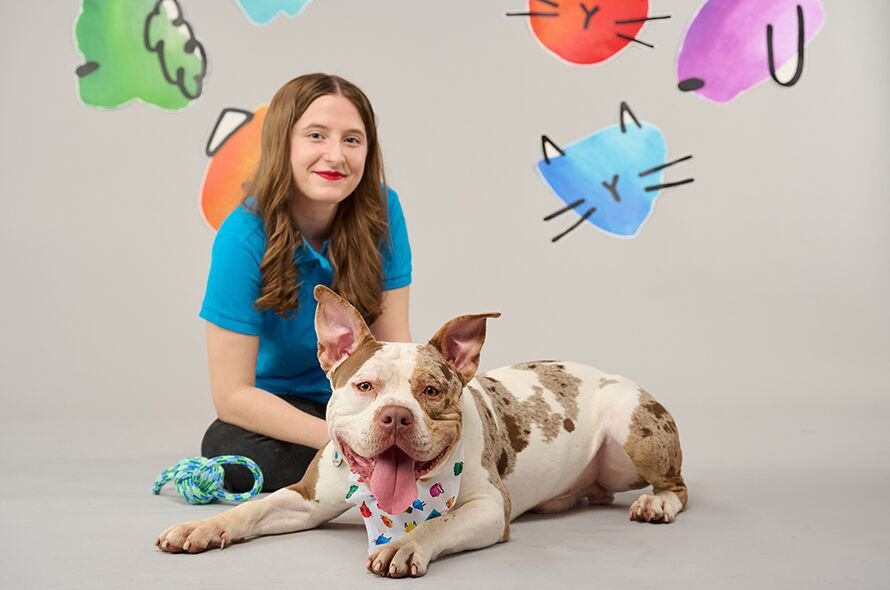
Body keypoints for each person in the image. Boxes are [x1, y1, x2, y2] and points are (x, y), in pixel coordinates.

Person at [199, 73, 412, 492]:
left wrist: (397, 419)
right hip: (283, 407)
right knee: (228, 453)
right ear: (284, 143)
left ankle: (365, 475)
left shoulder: (384, 209)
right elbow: (232, 395)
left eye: (352, 140)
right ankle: (374, 472)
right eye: (316, 135)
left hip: (364, 395)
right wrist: (342, 439)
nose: (335, 155)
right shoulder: (242, 237)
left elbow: (396, 346)